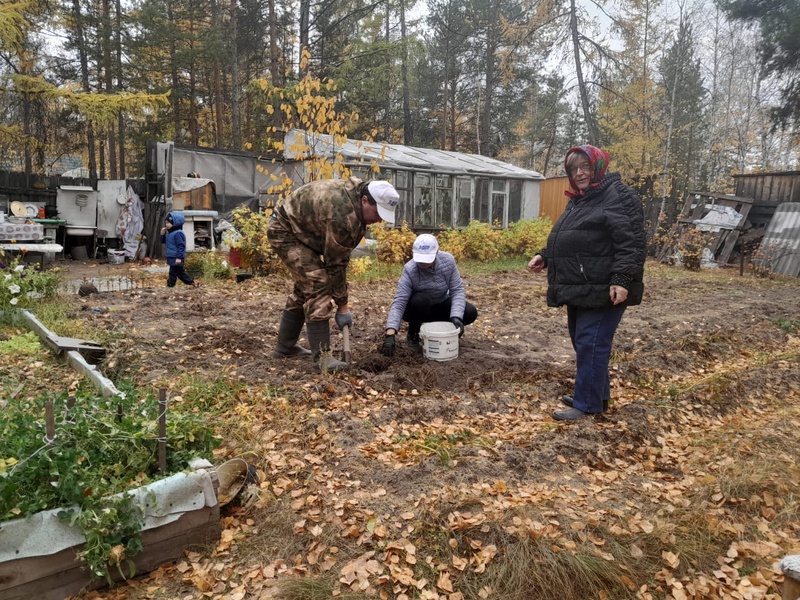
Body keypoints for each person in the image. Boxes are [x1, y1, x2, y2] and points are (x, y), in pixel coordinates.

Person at [527, 145, 646, 421]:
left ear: (598, 167)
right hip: (582, 284)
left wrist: (621, 279)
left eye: (585, 167)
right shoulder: (582, 198)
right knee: (585, 344)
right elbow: (575, 237)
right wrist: (545, 256)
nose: (579, 173)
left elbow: (632, 243)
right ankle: (596, 395)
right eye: (573, 169)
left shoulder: (618, 195)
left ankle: (588, 404)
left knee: (591, 344)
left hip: (604, 286)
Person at [268, 177, 399, 372]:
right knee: (318, 284)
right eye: (378, 212)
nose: (379, 219)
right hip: (285, 229)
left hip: (305, 231)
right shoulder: (342, 217)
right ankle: (322, 359)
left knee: (306, 287)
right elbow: (335, 265)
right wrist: (342, 307)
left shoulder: (358, 197)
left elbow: (340, 256)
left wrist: (340, 300)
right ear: (364, 200)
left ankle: (285, 348)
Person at [379, 233, 478, 357]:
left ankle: (441, 330)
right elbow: (399, 302)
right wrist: (390, 334)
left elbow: (457, 290)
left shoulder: (448, 261)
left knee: (470, 312)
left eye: (427, 259)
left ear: (436, 252)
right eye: (420, 259)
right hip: (417, 309)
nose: (423, 263)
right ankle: (413, 334)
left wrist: (456, 316)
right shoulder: (410, 269)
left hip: (440, 304)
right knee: (422, 300)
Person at [160, 211, 200, 288]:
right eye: (166, 223)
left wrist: (179, 257)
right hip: (172, 257)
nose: (166, 225)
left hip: (176, 257)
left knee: (173, 273)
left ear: (175, 223)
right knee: (180, 273)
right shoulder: (170, 233)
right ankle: (191, 283)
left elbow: (181, 246)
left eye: (168, 223)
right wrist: (162, 234)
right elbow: (163, 242)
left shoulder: (178, 233)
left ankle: (170, 286)